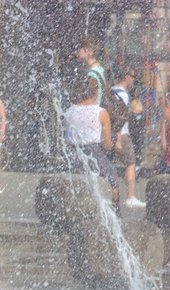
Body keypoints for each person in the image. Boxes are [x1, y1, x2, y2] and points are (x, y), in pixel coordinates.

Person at [63, 76, 122, 214]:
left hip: (72, 154)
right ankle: (116, 215)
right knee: (113, 180)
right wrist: (113, 144)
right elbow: (106, 145)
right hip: (93, 154)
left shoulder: (69, 112)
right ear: (95, 92)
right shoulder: (100, 113)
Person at [107, 68, 143, 208]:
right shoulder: (124, 95)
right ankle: (130, 196)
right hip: (122, 133)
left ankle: (113, 196)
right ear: (126, 77)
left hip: (111, 133)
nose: (134, 79)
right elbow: (120, 118)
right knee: (131, 163)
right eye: (133, 76)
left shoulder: (111, 91)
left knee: (111, 165)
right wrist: (119, 139)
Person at [75, 36, 107, 105]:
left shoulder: (92, 74)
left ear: (90, 51)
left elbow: (93, 100)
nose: (76, 53)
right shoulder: (100, 68)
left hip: (92, 114)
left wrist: (76, 108)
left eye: (79, 49)